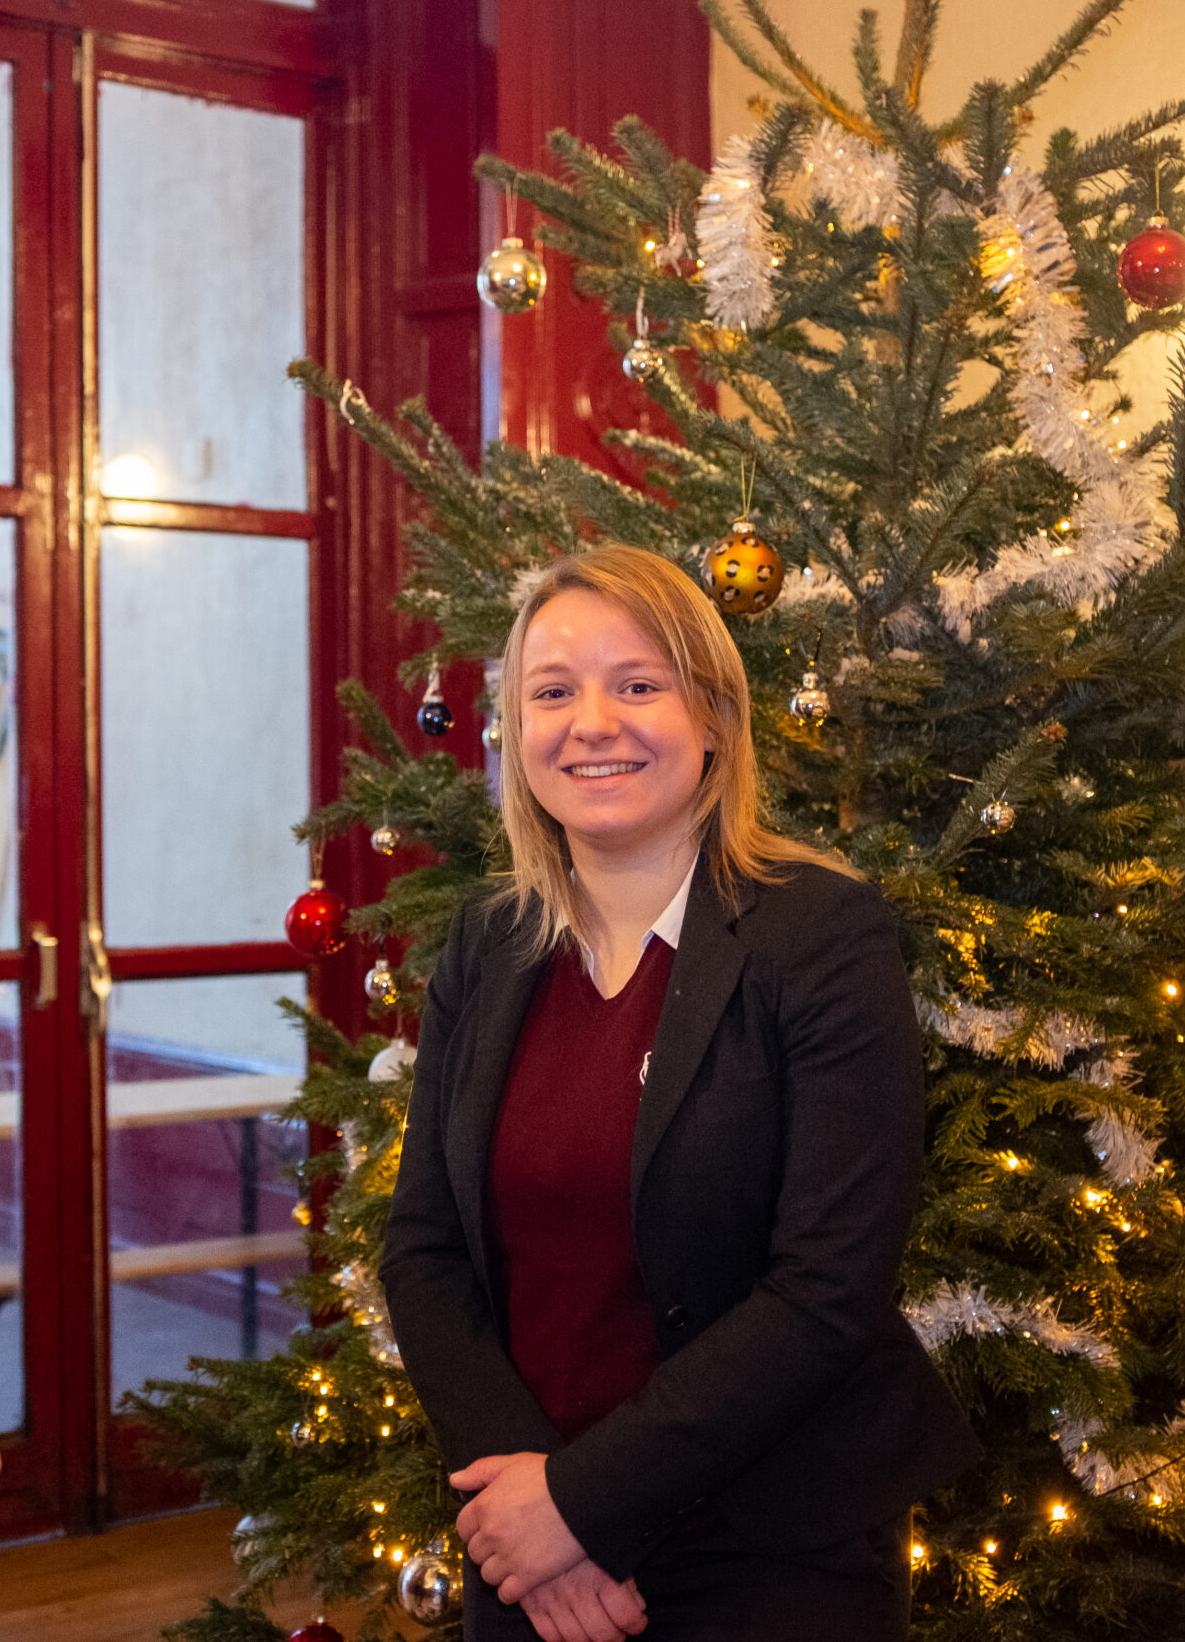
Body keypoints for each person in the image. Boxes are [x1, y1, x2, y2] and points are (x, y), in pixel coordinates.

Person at [380, 544, 981, 1642]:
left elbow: (827, 1288)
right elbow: (422, 1247)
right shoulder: (489, 941)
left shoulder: (820, 934)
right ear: (516, 735)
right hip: (526, 1542)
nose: (592, 722)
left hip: (768, 1548)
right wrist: (530, 1508)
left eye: (638, 683)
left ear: (712, 717)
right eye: (552, 692)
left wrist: (582, 1505)